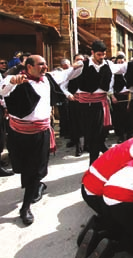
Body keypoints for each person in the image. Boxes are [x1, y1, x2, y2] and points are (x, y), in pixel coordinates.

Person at [0, 55, 77, 225]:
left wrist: (77, 65)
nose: (44, 66)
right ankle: (36, 186)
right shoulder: (14, 79)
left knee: (35, 168)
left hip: (40, 133)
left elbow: (66, 74)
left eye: (45, 64)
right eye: (40, 64)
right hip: (18, 133)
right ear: (28, 67)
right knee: (21, 167)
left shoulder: (48, 78)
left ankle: (25, 207)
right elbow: (2, 90)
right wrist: (13, 81)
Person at [78, 131, 133, 258]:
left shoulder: (128, 143)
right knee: (132, 229)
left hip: (90, 187)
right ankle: (113, 249)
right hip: (99, 192)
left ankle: (95, 232)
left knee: (115, 221)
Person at [67, 40, 122, 165]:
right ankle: (104, 158)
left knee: (99, 134)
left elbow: (122, 68)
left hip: (101, 104)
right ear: (92, 53)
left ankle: (95, 162)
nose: (101, 57)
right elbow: (66, 77)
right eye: (98, 55)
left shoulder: (108, 64)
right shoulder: (82, 65)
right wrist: (68, 94)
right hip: (85, 105)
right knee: (90, 135)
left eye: (103, 54)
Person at [60, 53, 85, 157]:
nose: (80, 62)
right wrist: (68, 95)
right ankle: (78, 145)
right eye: (77, 60)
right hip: (74, 101)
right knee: (75, 123)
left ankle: (86, 144)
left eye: (81, 60)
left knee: (86, 123)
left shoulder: (88, 71)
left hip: (86, 101)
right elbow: (63, 86)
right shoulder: (70, 72)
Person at [110, 54, 131, 143]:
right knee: (119, 117)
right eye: (118, 62)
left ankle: (129, 134)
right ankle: (121, 135)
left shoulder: (130, 72)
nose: (120, 64)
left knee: (129, 116)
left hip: (129, 96)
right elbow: (110, 86)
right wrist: (112, 96)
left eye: (122, 62)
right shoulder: (113, 73)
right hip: (118, 96)